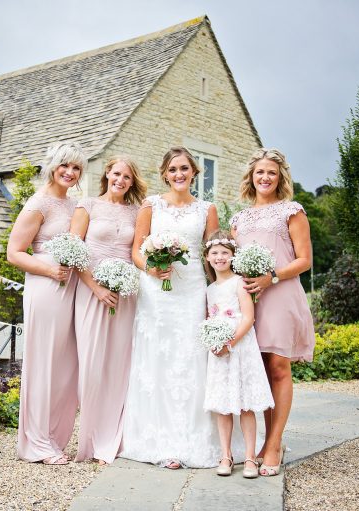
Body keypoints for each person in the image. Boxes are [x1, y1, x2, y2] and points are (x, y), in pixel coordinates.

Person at [121, 146, 221, 469]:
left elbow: (212, 255)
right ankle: (160, 440)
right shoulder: (151, 205)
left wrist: (222, 295)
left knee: (191, 357)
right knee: (158, 358)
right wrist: (150, 267)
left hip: (192, 289)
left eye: (185, 169)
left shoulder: (208, 209)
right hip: (157, 293)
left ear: (194, 172)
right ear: (165, 173)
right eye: (173, 169)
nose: (179, 174)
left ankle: (194, 437)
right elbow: (137, 250)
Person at [229, 148, 315, 477]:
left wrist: (272, 276)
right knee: (261, 370)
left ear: (280, 179)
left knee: (279, 366)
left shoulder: (292, 211)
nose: (265, 178)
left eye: (272, 173)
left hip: (280, 294)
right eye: (260, 172)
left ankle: (275, 443)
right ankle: (265, 442)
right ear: (251, 177)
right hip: (251, 298)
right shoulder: (240, 219)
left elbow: (304, 260)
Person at [7, 141, 87, 465]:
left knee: (66, 367)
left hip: (72, 290)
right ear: (52, 166)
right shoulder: (38, 203)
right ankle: (36, 442)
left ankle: (54, 435)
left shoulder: (75, 204)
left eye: (76, 168)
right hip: (46, 286)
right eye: (64, 166)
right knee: (43, 365)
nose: (70, 172)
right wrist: (51, 269)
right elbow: (14, 252)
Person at [70, 156, 147, 465]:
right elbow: (74, 250)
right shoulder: (86, 205)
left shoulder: (137, 211)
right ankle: (88, 440)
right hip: (91, 293)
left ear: (132, 181)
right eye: (117, 173)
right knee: (90, 366)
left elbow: (137, 250)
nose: (121, 180)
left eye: (127, 176)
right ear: (107, 174)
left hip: (126, 294)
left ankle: (112, 440)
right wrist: (97, 287)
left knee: (120, 365)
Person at [202, 230, 275, 478]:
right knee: (222, 405)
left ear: (233, 256)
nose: (220, 257)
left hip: (240, 347)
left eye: (225, 253)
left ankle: (251, 458)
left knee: (245, 405)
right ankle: (226, 455)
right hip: (219, 350)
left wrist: (230, 342)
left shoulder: (240, 283)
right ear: (208, 258)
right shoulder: (210, 288)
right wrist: (213, 341)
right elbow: (210, 318)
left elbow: (249, 317)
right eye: (215, 253)